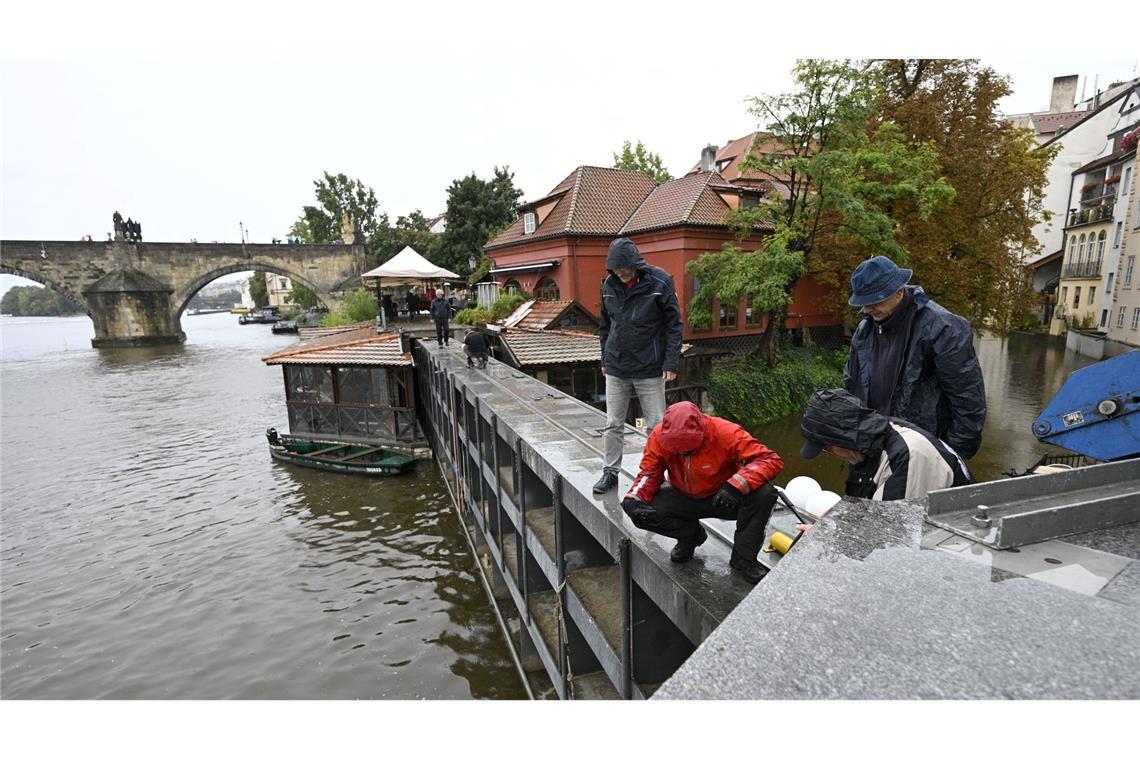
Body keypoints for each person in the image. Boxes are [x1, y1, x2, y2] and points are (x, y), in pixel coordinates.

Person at [621, 402, 783, 584]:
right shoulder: (657, 437)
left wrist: (737, 485)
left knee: (764, 494)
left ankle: (743, 559)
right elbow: (649, 473)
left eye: (688, 448)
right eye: (677, 450)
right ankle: (689, 536)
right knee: (644, 510)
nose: (683, 453)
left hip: (725, 496)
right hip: (682, 496)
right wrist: (633, 500)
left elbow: (770, 459)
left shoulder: (726, 432)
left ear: (702, 430)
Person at [844, 255, 986, 461]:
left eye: (875, 301)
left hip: (924, 451)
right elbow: (852, 384)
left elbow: (968, 401)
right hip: (873, 446)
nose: (867, 309)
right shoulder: (865, 329)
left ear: (899, 291)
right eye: (864, 303)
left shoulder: (943, 328)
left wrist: (951, 456)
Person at [592, 237, 684, 494]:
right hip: (617, 366)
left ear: (635, 264)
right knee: (613, 423)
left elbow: (674, 326)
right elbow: (604, 326)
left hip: (649, 367)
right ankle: (610, 472)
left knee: (656, 425)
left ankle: (658, 475)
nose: (620, 274)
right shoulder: (609, 285)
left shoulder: (660, 282)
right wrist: (604, 358)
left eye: (624, 269)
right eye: (616, 270)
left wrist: (671, 361)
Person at [800, 388, 973, 501]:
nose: (827, 453)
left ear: (842, 438)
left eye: (826, 447)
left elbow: (888, 533)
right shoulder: (863, 445)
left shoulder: (906, 456)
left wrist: (829, 532)